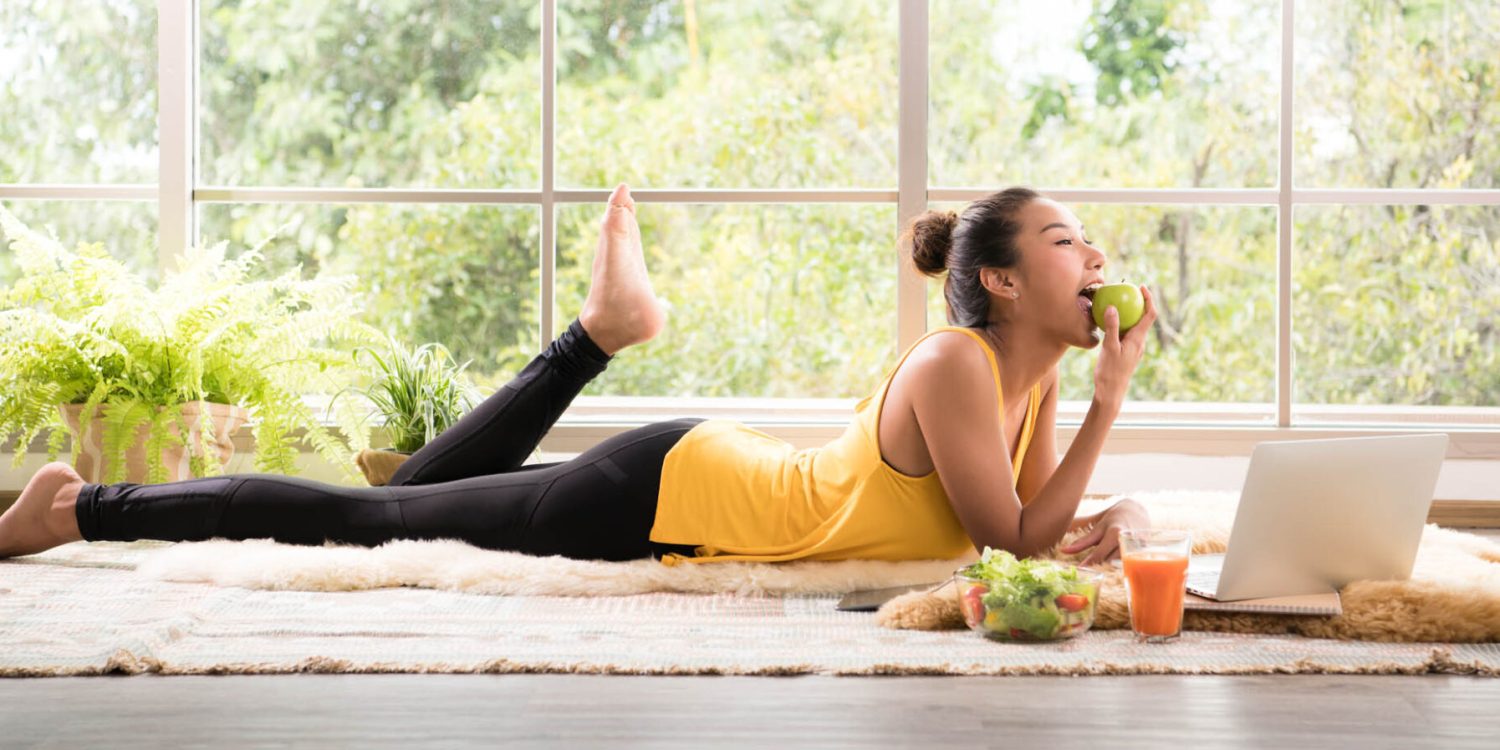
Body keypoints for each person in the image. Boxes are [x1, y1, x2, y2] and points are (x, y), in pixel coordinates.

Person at [0, 184, 1156, 567]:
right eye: (1065, 242)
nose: (1093, 255)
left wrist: (1117, 513)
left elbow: (1034, 529)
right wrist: (1111, 411)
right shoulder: (956, 360)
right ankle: (80, 508)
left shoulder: (1029, 380)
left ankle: (603, 331)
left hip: (701, 477)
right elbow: (1007, 537)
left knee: (404, 502)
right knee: (370, 523)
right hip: (661, 496)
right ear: (998, 283)